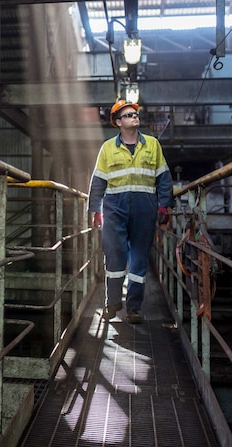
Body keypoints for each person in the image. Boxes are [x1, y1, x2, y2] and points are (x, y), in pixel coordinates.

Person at [88, 100, 175, 324]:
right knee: (113, 253)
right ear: (118, 122)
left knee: (139, 259)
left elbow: (163, 177)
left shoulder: (153, 145)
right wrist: (95, 210)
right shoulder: (108, 148)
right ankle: (112, 302)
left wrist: (165, 205)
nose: (134, 117)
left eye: (135, 114)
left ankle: (133, 308)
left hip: (145, 207)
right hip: (114, 208)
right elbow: (98, 182)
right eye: (128, 115)